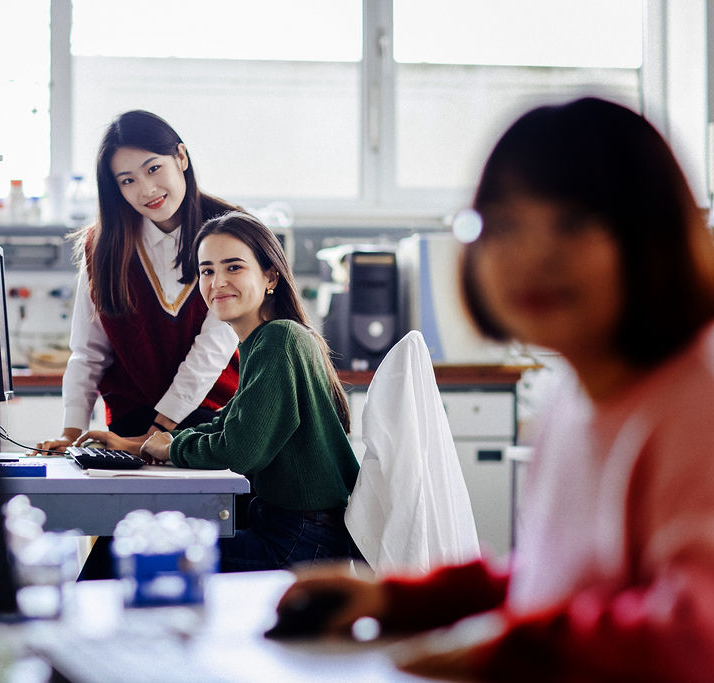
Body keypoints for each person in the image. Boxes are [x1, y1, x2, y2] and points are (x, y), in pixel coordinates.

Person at [276, 97, 714, 681]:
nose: (533, 254)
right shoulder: (573, 393)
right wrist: (399, 598)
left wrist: (501, 651)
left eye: (574, 222)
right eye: (503, 224)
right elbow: (552, 579)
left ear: (653, 233)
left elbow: (691, 636)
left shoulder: (694, 400)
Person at [80, 211, 361, 572]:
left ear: (270, 275)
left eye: (233, 268)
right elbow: (222, 425)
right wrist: (134, 445)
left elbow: (240, 450)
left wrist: (172, 447)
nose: (217, 282)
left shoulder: (278, 341)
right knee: (128, 539)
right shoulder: (266, 340)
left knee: (124, 546)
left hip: (299, 542)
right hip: (298, 534)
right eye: (207, 271)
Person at [37, 110, 240, 451]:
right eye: (127, 180)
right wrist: (70, 434)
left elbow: (214, 348)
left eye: (153, 168)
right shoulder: (102, 247)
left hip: (212, 425)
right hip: (128, 425)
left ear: (181, 157)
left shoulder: (231, 232)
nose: (146, 189)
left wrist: (157, 432)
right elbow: (88, 353)